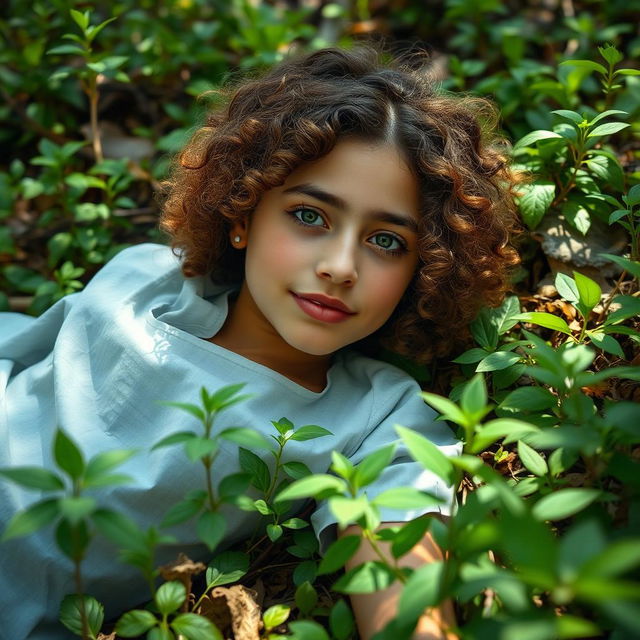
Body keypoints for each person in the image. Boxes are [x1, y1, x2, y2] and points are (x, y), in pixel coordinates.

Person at [0, 46, 519, 640]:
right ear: (244, 211)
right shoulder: (145, 277)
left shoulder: (378, 418)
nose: (340, 266)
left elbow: (405, 589)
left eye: (386, 241)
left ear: (423, 270)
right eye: (308, 216)